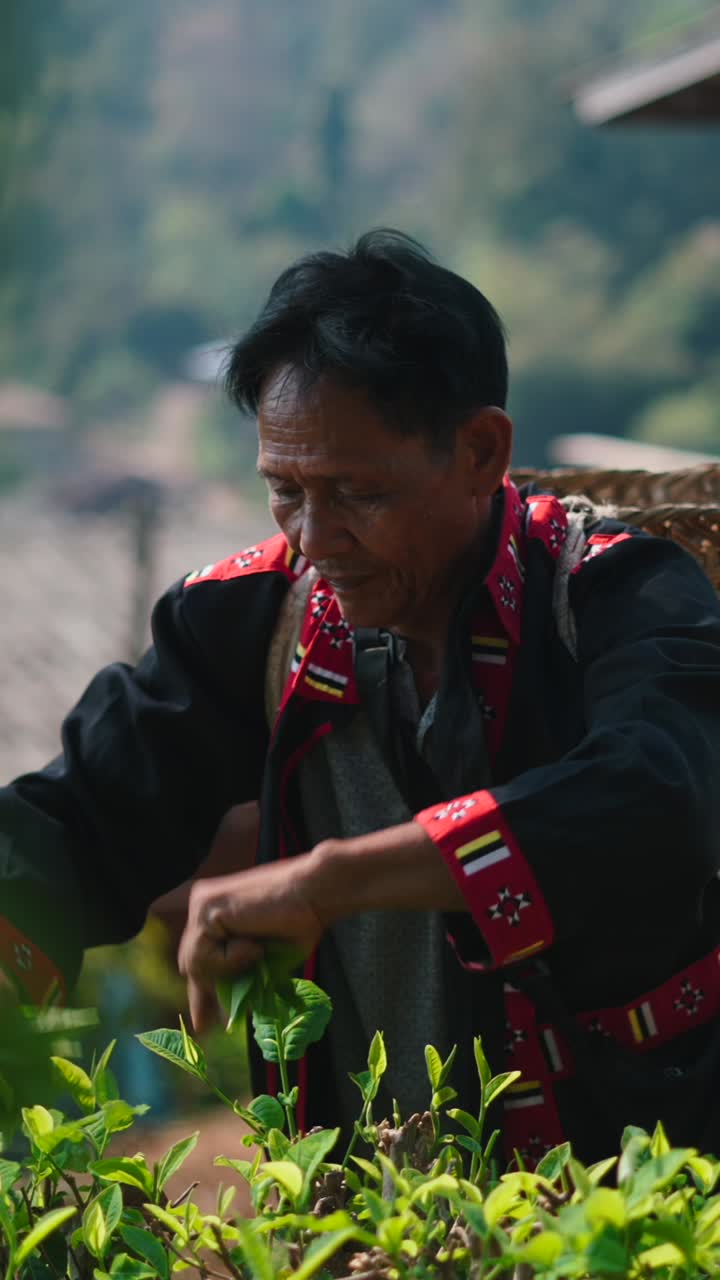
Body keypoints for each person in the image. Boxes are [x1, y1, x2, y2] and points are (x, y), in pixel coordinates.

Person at [2, 230, 720, 1166]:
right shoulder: (243, 617)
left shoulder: (617, 595)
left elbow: (658, 790)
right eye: (284, 489)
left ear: (480, 450)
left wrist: (328, 880)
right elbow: (77, 820)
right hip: (363, 1209)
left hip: (629, 1186)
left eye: (356, 492)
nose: (313, 536)